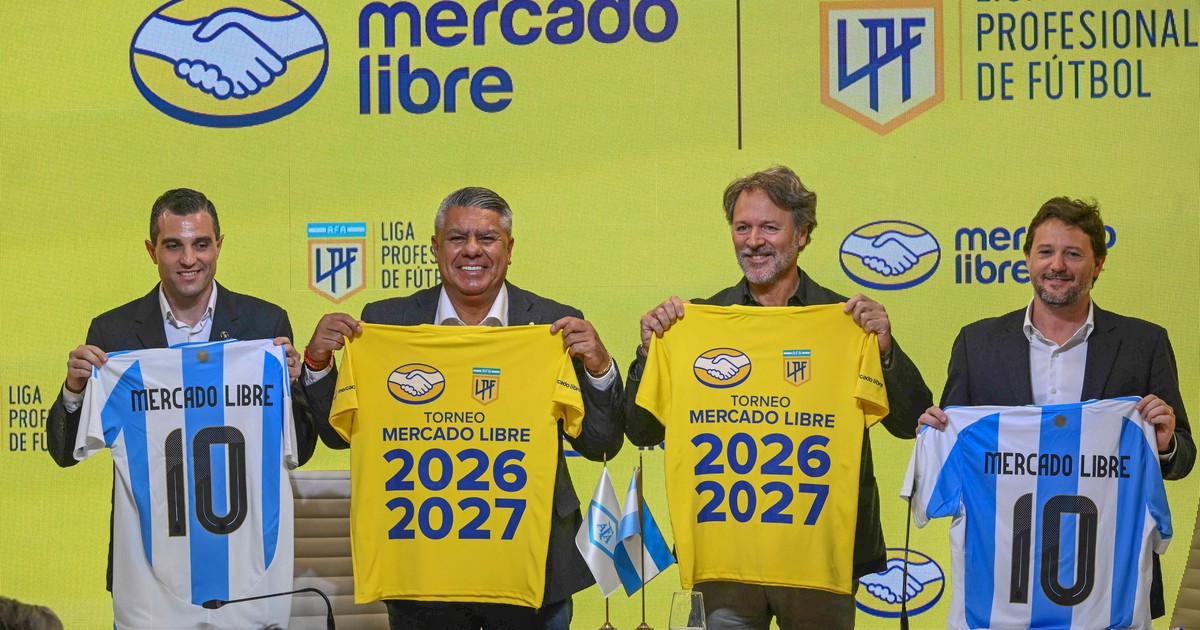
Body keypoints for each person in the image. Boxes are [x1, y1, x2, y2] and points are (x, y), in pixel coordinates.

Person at [298, 186, 624, 630]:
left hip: (534, 566)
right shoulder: (385, 321)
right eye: (457, 238)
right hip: (421, 564)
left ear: (509, 249)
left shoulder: (554, 324)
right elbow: (339, 436)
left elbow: (601, 442)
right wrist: (318, 364)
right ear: (435, 248)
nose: (472, 250)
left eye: (487, 238)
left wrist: (600, 366)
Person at [625, 165, 933, 629]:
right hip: (725, 561)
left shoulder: (845, 320)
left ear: (802, 234)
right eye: (742, 227)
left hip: (821, 561)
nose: (753, 241)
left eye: (769, 227)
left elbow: (912, 421)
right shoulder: (697, 321)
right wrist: (650, 352)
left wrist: (884, 348)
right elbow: (641, 430)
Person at [917, 196, 1195, 619]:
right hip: (1002, 586)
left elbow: (1183, 457)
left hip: (1110, 589)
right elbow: (955, 456)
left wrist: (1165, 444)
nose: (1057, 265)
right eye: (1045, 252)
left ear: (1098, 264)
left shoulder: (1144, 343)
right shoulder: (977, 343)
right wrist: (935, 434)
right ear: (1027, 259)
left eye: (1073, 254)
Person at [46, 187, 317, 590]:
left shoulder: (264, 325)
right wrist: (75, 390)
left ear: (219, 246)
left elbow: (301, 449)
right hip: (147, 569)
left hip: (244, 563)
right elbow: (64, 453)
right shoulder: (113, 332)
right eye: (173, 245)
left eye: (201, 244)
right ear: (151, 251)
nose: (189, 259)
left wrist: (292, 385)